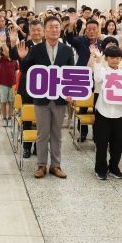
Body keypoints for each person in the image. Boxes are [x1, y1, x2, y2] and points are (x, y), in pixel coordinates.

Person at [16, 16, 74, 179]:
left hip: (60, 98)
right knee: (42, 133)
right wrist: (22, 58)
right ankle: (41, 165)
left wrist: (71, 93)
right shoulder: (36, 49)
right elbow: (27, 71)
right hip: (41, 98)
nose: (54, 30)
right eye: (50, 27)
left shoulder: (67, 50)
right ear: (45, 30)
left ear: (60, 29)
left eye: (57, 27)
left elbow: (71, 73)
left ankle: (56, 165)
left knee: (57, 134)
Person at [91, 45, 122, 180]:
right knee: (102, 143)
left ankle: (114, 168)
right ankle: (100, 169)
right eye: (112, 57)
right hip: (103, 111)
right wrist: (98, 60)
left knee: (118, 144)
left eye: (117, 58)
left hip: (119, 112)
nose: (115, 60)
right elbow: (97, 79)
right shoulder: (102, 70)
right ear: (107, 58)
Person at [11, 19, 44, 158]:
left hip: (44, 87)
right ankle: (26, 147)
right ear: (29, 31)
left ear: (43, 31)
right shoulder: (25, 44)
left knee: (42, 118)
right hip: (27, 86)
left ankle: (38, 146)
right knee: (27, 117)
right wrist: (13, 42)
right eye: (33, 30)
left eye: (39, 30)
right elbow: (12, 56)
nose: (36, 32)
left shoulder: (48, 45)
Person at [0, 42, 19, 126]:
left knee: (11, 101)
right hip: (3, 83)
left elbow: (16, 71)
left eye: (7, 51)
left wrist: (16, 81)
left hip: (12, 84)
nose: (6, 52)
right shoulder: (2, 59)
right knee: (3, 101)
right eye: (5, 51)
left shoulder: (14, 60)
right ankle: (4, 118)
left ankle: (10, 117)